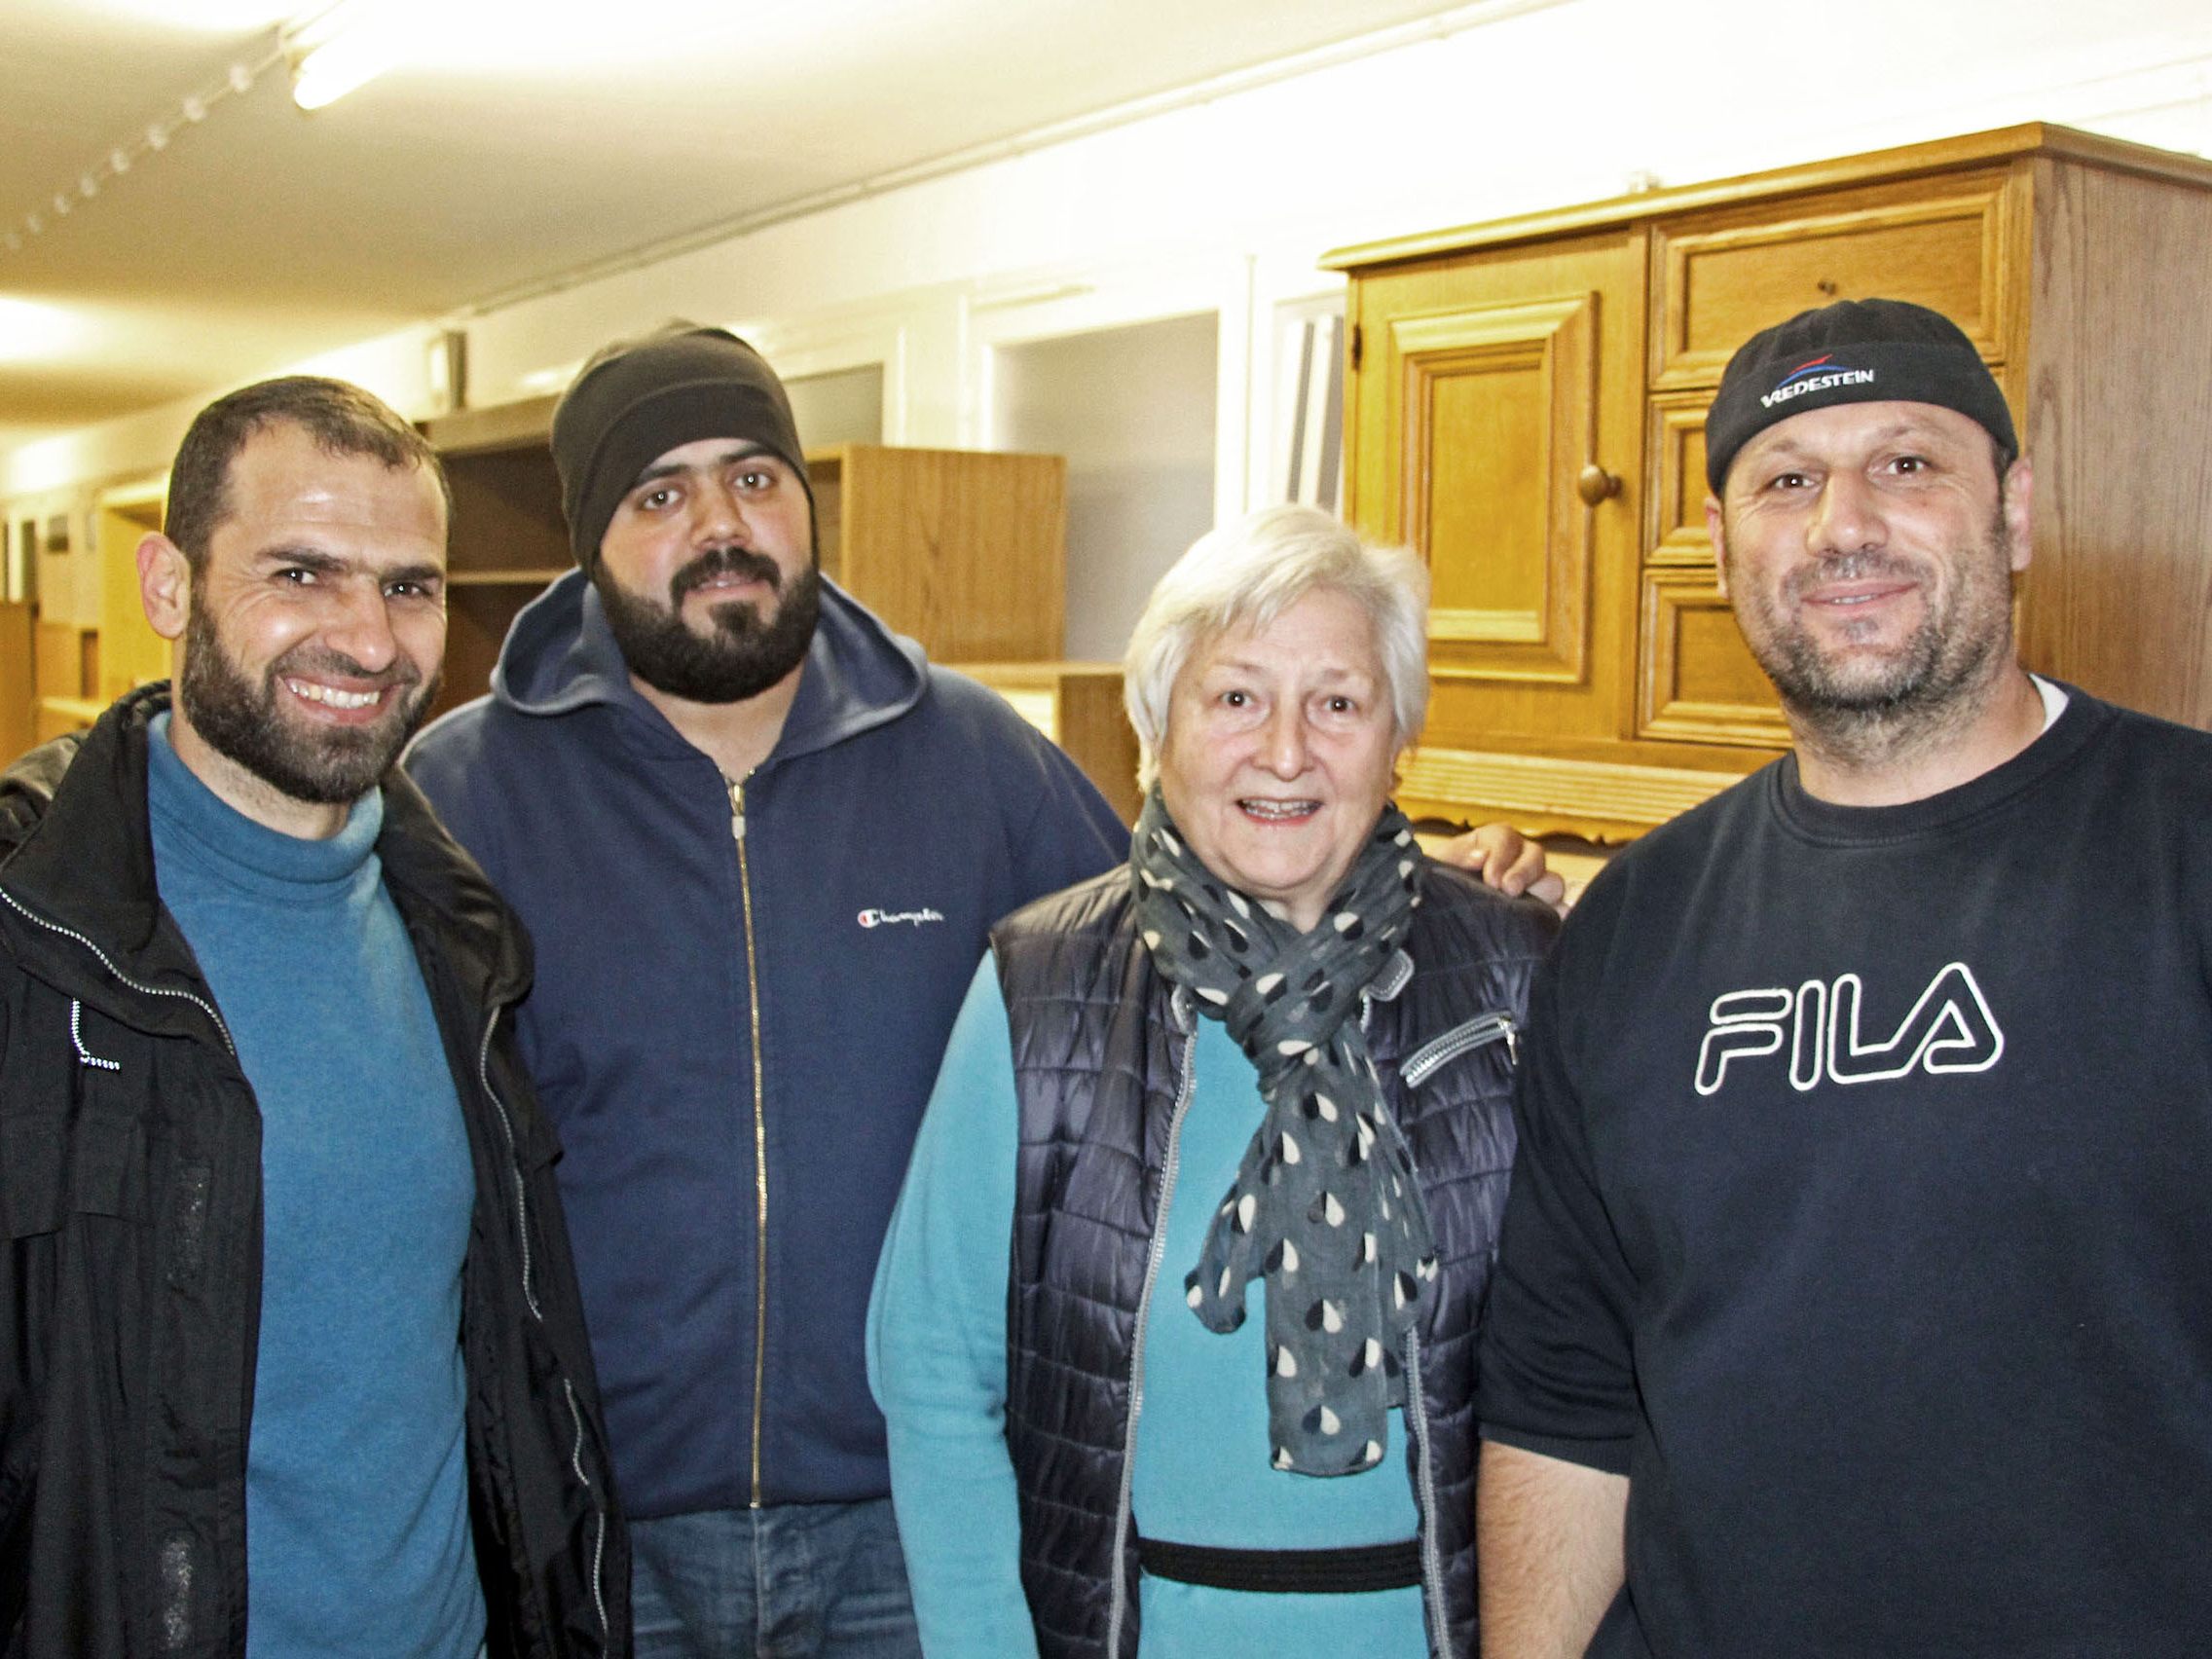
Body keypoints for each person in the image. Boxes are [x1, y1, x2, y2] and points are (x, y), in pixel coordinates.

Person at [407, 324, 1558, 1657]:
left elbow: (1191, 898)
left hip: (900, 1529)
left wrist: (1447, 883)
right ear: (591, 544)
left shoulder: (970, 758)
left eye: (756, 476)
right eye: (659, 494)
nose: (720, 522)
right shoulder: (463, 796)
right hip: (607, 1519)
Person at [1474, 298, 2212, 1657]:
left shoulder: (2188, 847)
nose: (1843, 526)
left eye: (1908, 463)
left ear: (2018, 511)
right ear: (1722, 547)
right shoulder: (1635, 920)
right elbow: (1562, 1401)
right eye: (1788, 481)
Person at [866, 503, 1561, 1657]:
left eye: (1336, 703)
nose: (1284, 751)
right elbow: (935, 1376)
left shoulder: (1516, 979)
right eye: (1234, 697)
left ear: (1399, 742)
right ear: (1155, 733)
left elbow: (1607, 1372)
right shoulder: (1037, 990)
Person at [0, 377, 624, 1657]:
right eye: (300, 574)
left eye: (408, 586)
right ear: (168, 586)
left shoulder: (458, 935)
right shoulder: (32, 935)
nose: (371, 638)